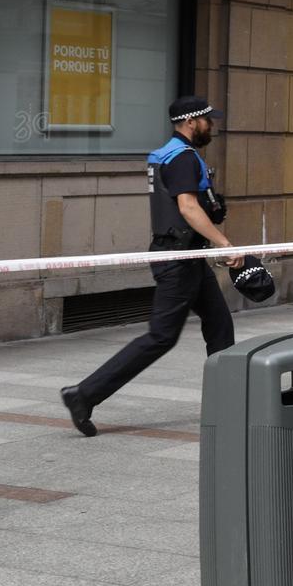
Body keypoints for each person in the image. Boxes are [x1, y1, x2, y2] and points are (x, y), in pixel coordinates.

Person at [63, 97, 243, 437]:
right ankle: (84, 394)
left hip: (185, 256)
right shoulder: (184, 158)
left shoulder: (168, 154)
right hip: (178, 260)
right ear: (191, 123)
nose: (212, 126)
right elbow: (188, 208)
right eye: (208, 120)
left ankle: (229, 404)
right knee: (161, 337)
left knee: (219, 324)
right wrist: (224, 243)